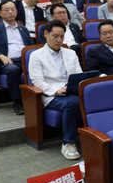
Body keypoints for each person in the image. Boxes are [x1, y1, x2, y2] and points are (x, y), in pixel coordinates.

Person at [28, 19, 83, 160]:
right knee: (72, 103)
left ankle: (94, 137)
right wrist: (56, 91)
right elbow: (37, 81)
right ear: (46, 34)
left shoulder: (70, 53)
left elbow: (79, 75)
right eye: (55, 36)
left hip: (71, 90)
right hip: (51, 94)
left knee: (91, 97)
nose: (59, 40)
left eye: (62, 36)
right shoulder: (36, 55)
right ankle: (68, 142)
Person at [0, 0, 34, 114]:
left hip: (24, 60)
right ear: (1, 13)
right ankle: (17, 102)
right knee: (13, 70)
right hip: (7, 61)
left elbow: (31, 46)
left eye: (13, 9)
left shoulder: (23, 28)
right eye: (7, 10)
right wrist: (1, 56)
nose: (10, 12)